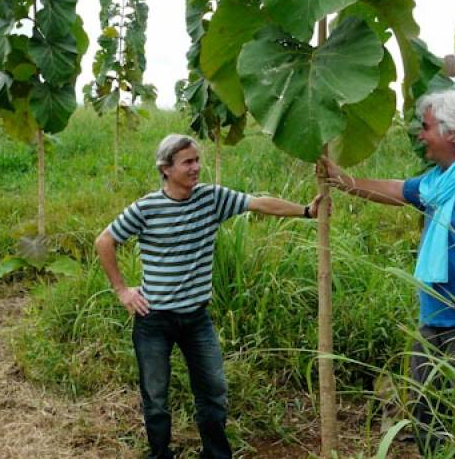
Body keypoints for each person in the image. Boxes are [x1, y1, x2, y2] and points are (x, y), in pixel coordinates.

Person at [320, 89, 455, 452]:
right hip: (435, 317)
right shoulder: (439, 180)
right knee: (426, 412)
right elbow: (399, 191)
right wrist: (343, 181)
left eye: (426, 127)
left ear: (451, 131)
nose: (420, 135)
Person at [95, 133, 323, 459]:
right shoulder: (147, 208)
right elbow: (104, 241)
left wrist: (305, 211)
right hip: (154, 319)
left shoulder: (211, 198)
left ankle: (216, 454)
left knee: (213, 392)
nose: (196, 168)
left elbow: (258, 203)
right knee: (156, 395)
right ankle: (159, 454)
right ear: (166, 168)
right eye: (187, 162)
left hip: (196, 318)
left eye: (197, 160)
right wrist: (122, 290)